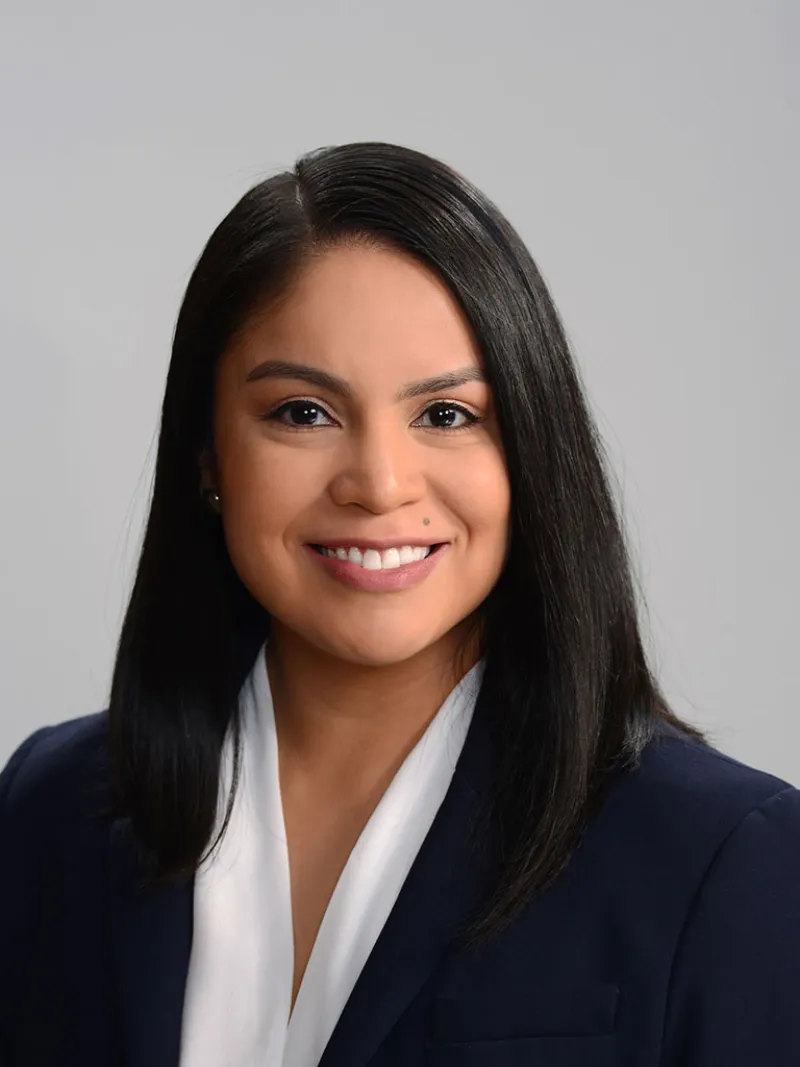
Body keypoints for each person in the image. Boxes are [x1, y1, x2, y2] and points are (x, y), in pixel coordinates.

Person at [1, 141, 798, 1067]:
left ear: (530, 452)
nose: (379, 483)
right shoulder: (48, 810)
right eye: (303, 411)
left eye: (447, 415)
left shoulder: (726, 860)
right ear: (208, 457)